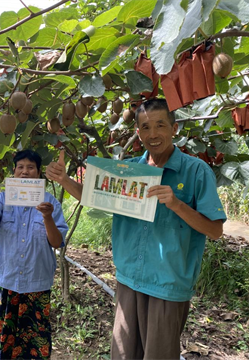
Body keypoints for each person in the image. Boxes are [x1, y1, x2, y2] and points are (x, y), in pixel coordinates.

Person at [46, 99, 227, 360]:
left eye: (160, 125)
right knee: (123, 353)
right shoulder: (128, 171)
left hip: (167, 284)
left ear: (174, 128)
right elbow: (92, 196)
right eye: (145, 127)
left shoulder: (196, 172)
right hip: (129, 279)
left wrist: (176, 204)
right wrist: (64, 179)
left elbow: (215, 231)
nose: (153, 134)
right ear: (138, 133)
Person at [0, 150, 69, 360]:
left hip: (36, 282)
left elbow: (57, 242)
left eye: (30, 167)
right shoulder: (4, 198)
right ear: (14, 171)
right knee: (6, 338)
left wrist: (47, 217)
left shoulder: (51, 203)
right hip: (7, 279)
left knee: (36, 341)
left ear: (38, 173)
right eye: (20, 167)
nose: (25, 171)